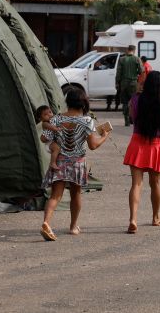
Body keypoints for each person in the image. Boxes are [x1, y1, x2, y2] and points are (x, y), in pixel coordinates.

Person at [40, 87, 111, 240]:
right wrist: (104, 136)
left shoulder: (56, 119)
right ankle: (73, 227)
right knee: (76, 194)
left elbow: (44, 138)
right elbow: (93, 145)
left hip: (59, 161)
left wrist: (50, 129)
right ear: (83, 102)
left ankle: (46, 222)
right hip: (77, 163)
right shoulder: (87, 121)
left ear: (68, 101)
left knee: (55, 196)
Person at [124, 70, 160, 234]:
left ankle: (133, 219)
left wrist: (134, 99)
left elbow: (132, 118)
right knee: (155, 184)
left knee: (136, 184)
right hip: (155, 146)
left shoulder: (136, 99)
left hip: (137, 144)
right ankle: (155, 217)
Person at [115, 45, 143, 126]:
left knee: (124, 102)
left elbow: (118, 72)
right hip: (133, 83)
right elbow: (141, 71)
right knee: (134, 102)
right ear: (134, 50)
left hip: (124, 83)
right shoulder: (137, 59)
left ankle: (126, 121)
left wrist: (117, 82)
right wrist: (136, 73)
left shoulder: (122, 59)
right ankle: (134, 120)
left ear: (128, 50)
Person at [35, 104, 61, 171]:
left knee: (58, 149)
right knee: (57, 148)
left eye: (50, 112)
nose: (49, 115)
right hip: (49, 143)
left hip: (52, 140)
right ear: (40, 119)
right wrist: (58, 129)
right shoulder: (45, 123)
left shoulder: (52, 120)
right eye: (45, 115)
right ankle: (52, 163)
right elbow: (52, 128)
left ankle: (54, 165)